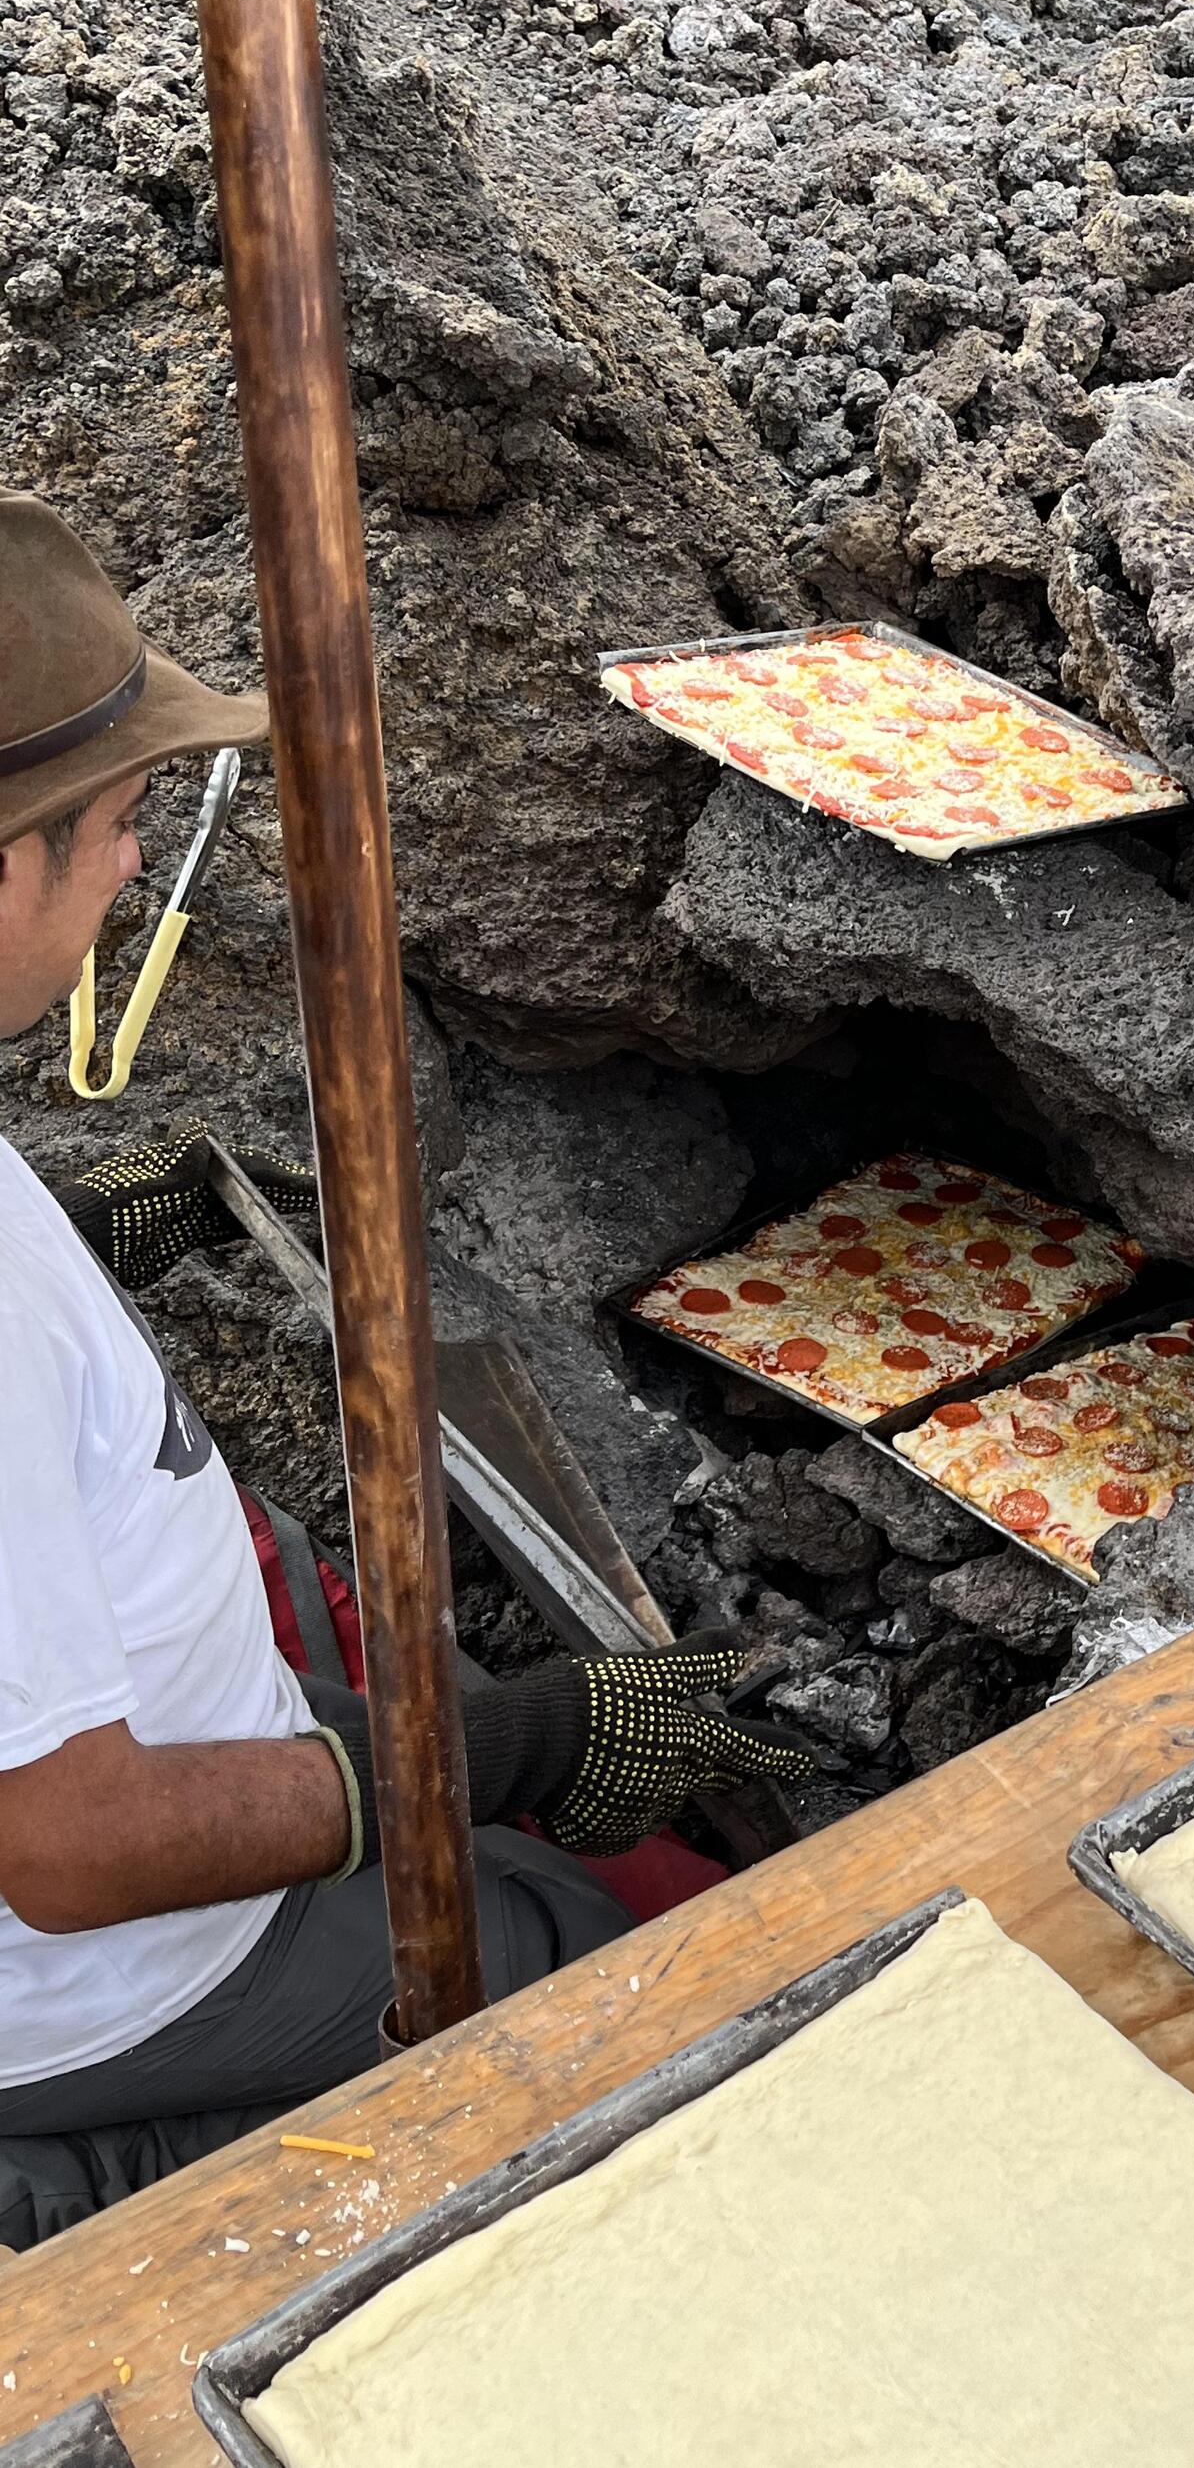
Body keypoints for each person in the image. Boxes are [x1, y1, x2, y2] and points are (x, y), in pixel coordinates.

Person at [0, 492, 806, 2249]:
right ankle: (86, 2197)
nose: (138, 867)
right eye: (120, 823)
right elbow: (67, 1849)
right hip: (97, 1974)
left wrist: (75, 1250)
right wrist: (508, 1745)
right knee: (621, 1998)